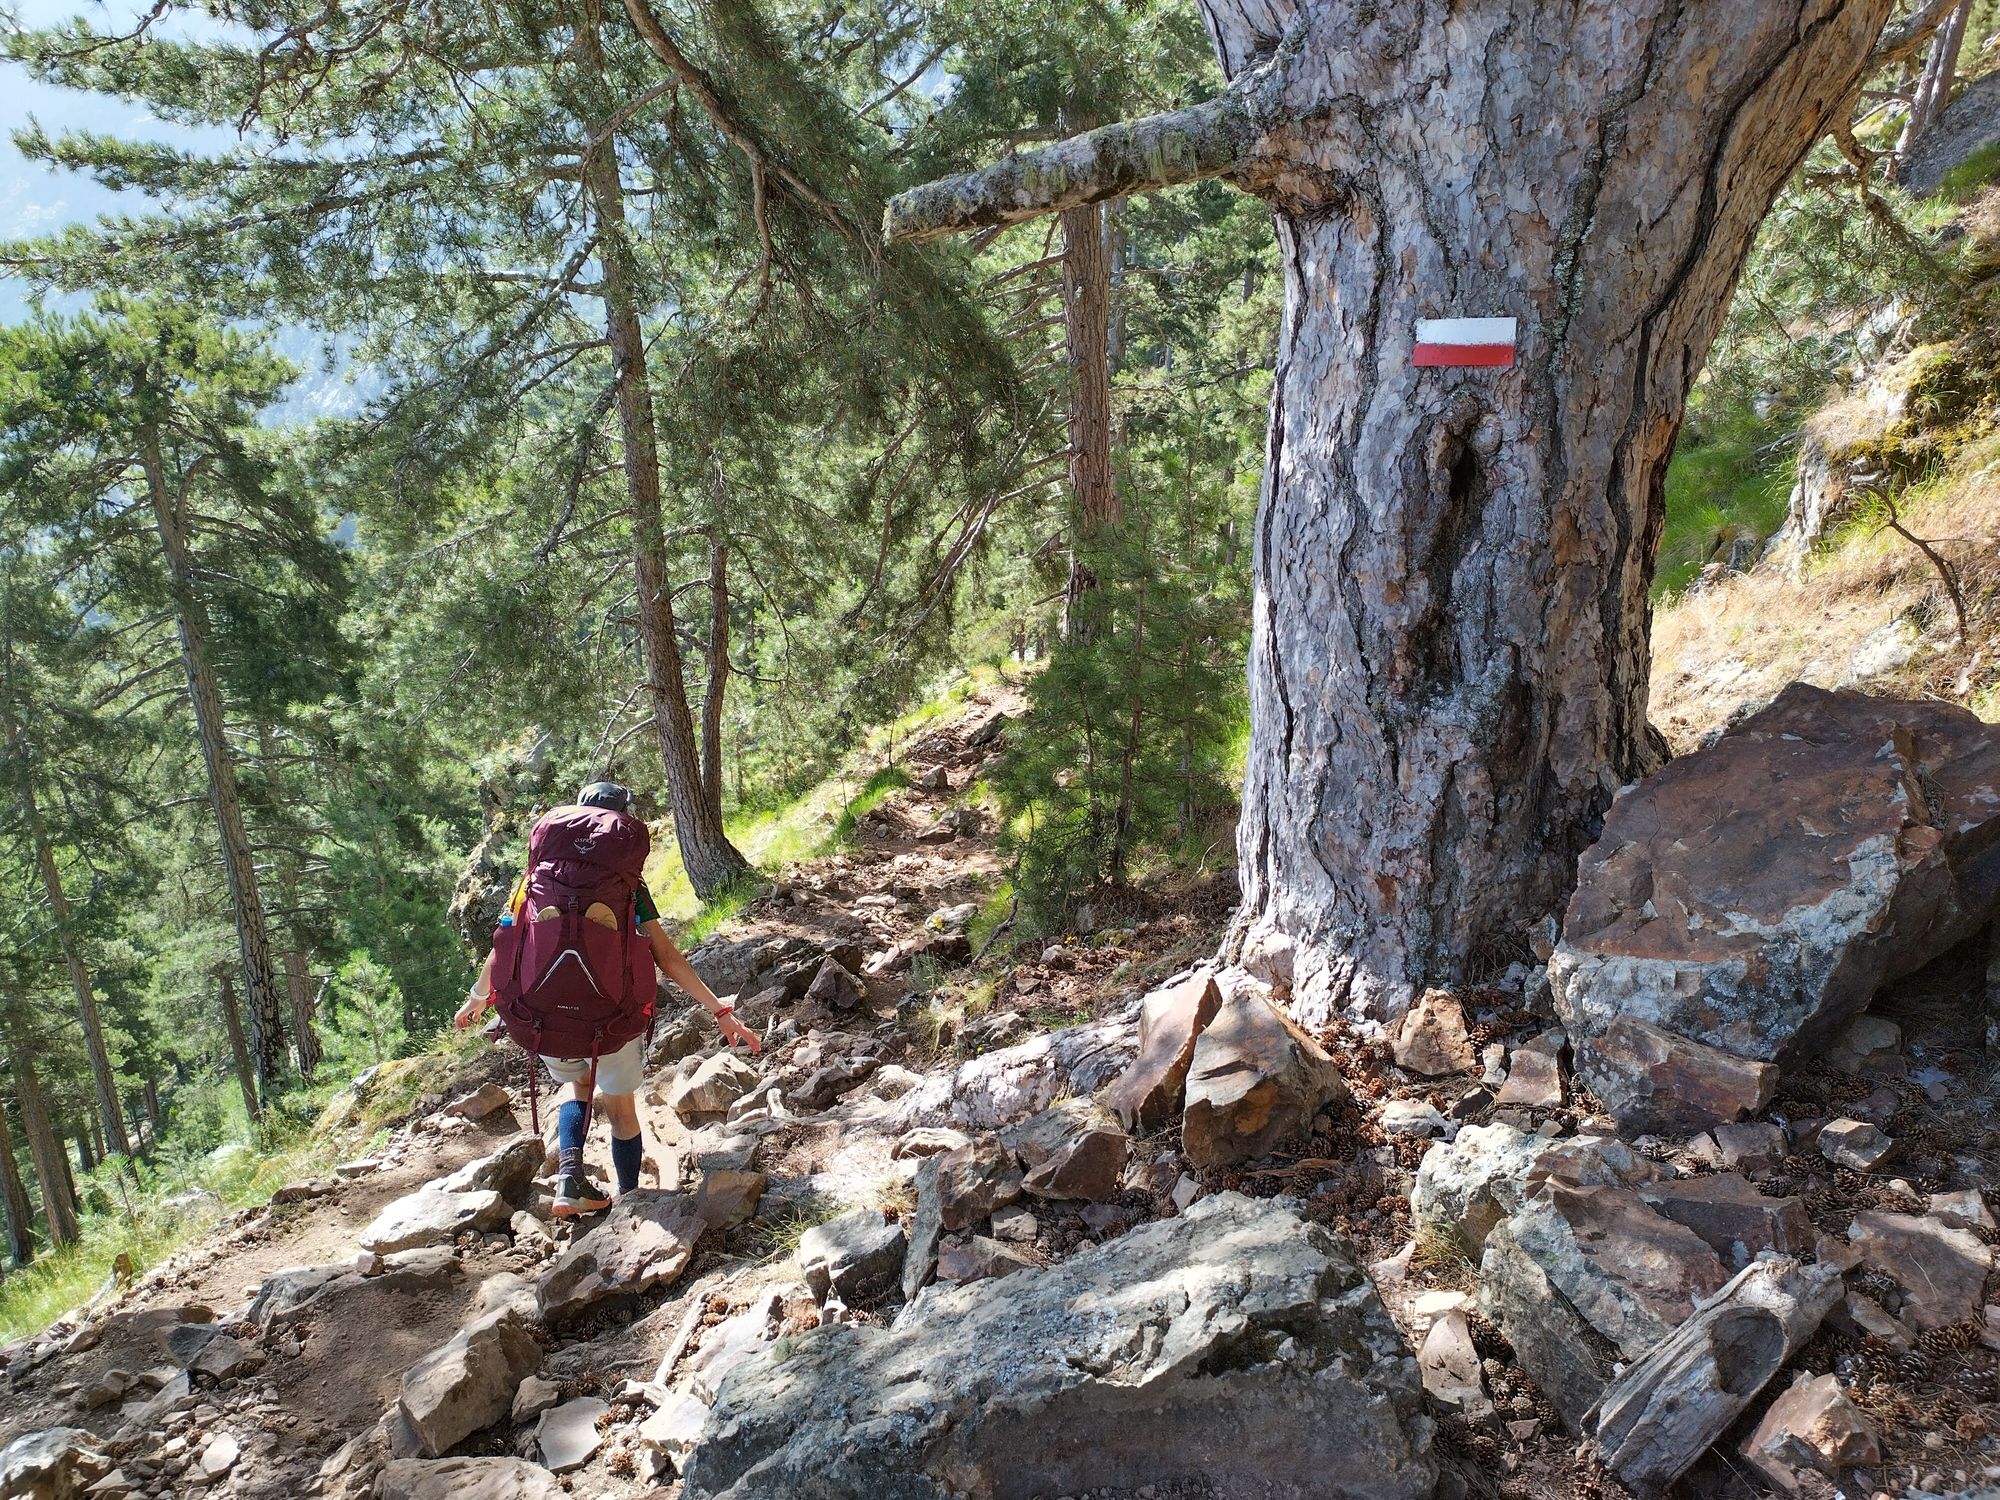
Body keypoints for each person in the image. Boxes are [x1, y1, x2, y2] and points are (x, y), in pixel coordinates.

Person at [454, 781, 761, 1216]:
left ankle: (568, 1181)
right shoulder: (628, 886)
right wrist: (721, 1012)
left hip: (544, 1015)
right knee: (621, 1109)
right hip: (610, 1017)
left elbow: (507, 942)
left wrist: (478, 998)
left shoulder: (533, 879)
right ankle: (630, 1200)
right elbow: (667, 957)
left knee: (576, 1088)